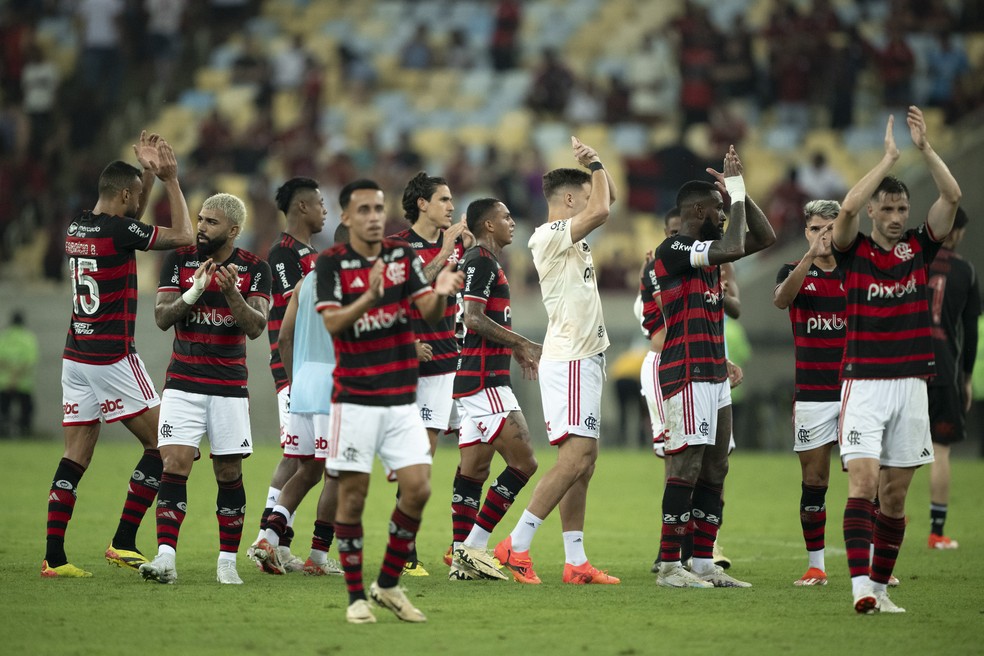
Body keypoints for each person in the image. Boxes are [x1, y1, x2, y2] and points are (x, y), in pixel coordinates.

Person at [43, 132, 193, 578]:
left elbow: (128, 224)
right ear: (125, 195)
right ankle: (123, 540)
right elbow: (183, 235)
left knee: (76, 455)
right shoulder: (120, 231)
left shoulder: (79, 225)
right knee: (164, 443)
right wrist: (170, 179)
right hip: (111, 357)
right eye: (136, 195)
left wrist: (143, 174)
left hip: (76, 355)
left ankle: (54, 557)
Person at [314, 179, 463, 623]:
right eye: (364, 210)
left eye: (378, 208)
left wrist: (441, 290)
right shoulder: (333, 263)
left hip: (401, 397)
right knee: (353, 499)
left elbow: (427, 310)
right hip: (356, 399)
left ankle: (389, 584)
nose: (374, 216)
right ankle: (356, 597)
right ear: (346, 217)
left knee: (418, 488)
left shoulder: (401, 256)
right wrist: (370, 298)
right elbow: (334, 324)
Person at [831, 106, 961, 614]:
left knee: (895, 498)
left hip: (911, 386)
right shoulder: (853, 250)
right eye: (885, 209)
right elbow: (844, 209)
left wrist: (926, 150)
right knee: (863, 483)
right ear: (873, 214)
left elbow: (952, 196)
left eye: (900, 210)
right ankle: (861, 587)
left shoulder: (919, 250)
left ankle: (881, 590)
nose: (894, 217)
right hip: (863, 383)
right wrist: (886, 160)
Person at [494, 136, 621, 585]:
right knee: (574, 459)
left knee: (585, 464)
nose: (591, 205)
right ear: (568, 200)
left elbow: (606, 202)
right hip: (568, 359)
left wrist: (595, 173)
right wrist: (597, 163)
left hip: (585, 358)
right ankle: (516, 545)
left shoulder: (571, 237)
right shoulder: (547, 236)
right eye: (582, 198)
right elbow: (603, 209)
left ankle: (575, 560)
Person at [653, 145, 776, 589]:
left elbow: (764, 241)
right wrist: (737, 190)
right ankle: (670, 566)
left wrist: (741, 195)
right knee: (685, 467)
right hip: (684, 373)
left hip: (713, 374)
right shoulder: (674, 248)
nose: (724, 214)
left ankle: (703, 562)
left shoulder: (708, 252)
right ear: (699, 210)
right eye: (719, 208)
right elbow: (737, 243)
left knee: (716, 467)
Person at [140, 192, 271, 585]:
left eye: (211, 222)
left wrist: (230, 292)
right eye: (200, 219)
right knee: (174, 463)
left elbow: (256, 326)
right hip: (183, 382)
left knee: (228, 472)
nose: (200, 227)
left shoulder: (254, 269)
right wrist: (194, 292)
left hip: (229, 387)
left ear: (233, 230)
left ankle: (227, 562)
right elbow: (162, 317)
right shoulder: (179, 261)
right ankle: (165, 557)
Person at [447, 198, 539, 582]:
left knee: (474, 471)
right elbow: (473, 317)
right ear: (487, 225)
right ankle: (475, 547)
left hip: (470, 379)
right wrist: (519, 342)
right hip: (485, 382)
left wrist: (511, 346)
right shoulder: (482, 261)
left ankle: (460, 562)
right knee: (525, 462)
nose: (512, 222)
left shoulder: (474, 262)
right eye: (504, 217)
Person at [252, 225, 349, 577]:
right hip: (336, 385)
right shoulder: (354, 284)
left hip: (304, 383)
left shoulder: (306, 281)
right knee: (336, 474)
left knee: (306, 469)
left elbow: (284, 337)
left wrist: (296, 381)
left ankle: (268, 537)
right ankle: (318, 558)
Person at [389, 172, 471, 575]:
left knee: (435, 457)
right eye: (443, 199)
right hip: (408, 367)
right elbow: (400, 293)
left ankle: (462, 546)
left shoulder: (455, 248)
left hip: (445, 364)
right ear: (421, 203)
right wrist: (445, 251)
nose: (451, 207)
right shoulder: (397, 247)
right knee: (416, 460)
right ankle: (403, 551)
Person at [247, 177, 327, 573]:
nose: (324, 210)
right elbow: (297, 303)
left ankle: (272, 541)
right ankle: (269, 538)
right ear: (301, 207)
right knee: (301, 460)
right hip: (296, 368)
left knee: (301, 458)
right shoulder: (283, 253)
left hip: (311, 367)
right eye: (320, 203)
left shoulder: (313, 253)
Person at [773, 199, 845, 586]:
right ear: (806, 232)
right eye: (817, 229)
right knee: (815, 480)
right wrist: (809, 259)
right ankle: (816, 565)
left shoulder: (856, 271)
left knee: (869, 479)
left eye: (831, 228)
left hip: (856, 390)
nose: (824, 236)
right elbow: (782, 299)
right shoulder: (793, 270)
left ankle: (873, 565)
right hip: (813, 394)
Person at [925, 207, 979, 549]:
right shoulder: (965, 271)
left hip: (905, 365)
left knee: (893, 453)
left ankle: (884, 519)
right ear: (956, 232)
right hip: (944, 369)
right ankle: (937, 531)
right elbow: (970, 332)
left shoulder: (913, 261)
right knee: (941, 450)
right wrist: (967, 378)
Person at [0, 310, 39, 437]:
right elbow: (30, 361)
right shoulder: (28, 338)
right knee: (26, 411)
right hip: (23, 383)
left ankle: (4, 433)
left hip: (4, 383)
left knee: (3, 411)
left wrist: (10, 376)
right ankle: (24, 433)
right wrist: (16, 376)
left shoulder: (4, 337)